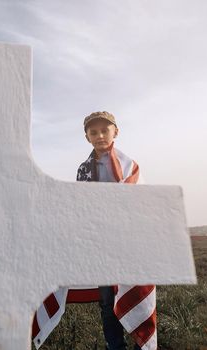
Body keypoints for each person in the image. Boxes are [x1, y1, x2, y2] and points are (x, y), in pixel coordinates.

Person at [77, 111, 142, 350]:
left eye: (105, 130)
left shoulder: (130, 166)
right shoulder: (83, 169)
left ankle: (141, 344)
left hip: (129, 245)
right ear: (87, 137)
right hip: (102, 246)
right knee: (107, 302)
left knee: (135, 295)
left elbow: (139, 204)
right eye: (93, 132)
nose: (100, 135)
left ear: (116, 132)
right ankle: (115, 346)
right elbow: (81, 206)